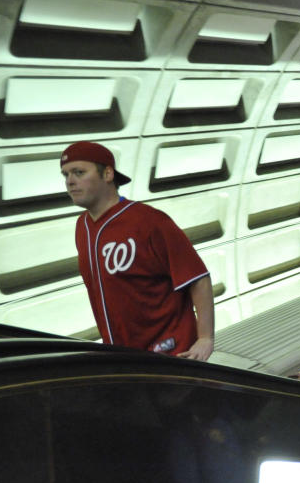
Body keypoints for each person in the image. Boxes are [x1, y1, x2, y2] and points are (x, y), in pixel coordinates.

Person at [61, 141, 214, 359]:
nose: (70, 181)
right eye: (65, 175)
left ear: (107, 174)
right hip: (126, 358)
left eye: (79, 172)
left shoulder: (149, 221)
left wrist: (205, 338)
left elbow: (197, 277)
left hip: (171, 354)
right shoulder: (82, 227)